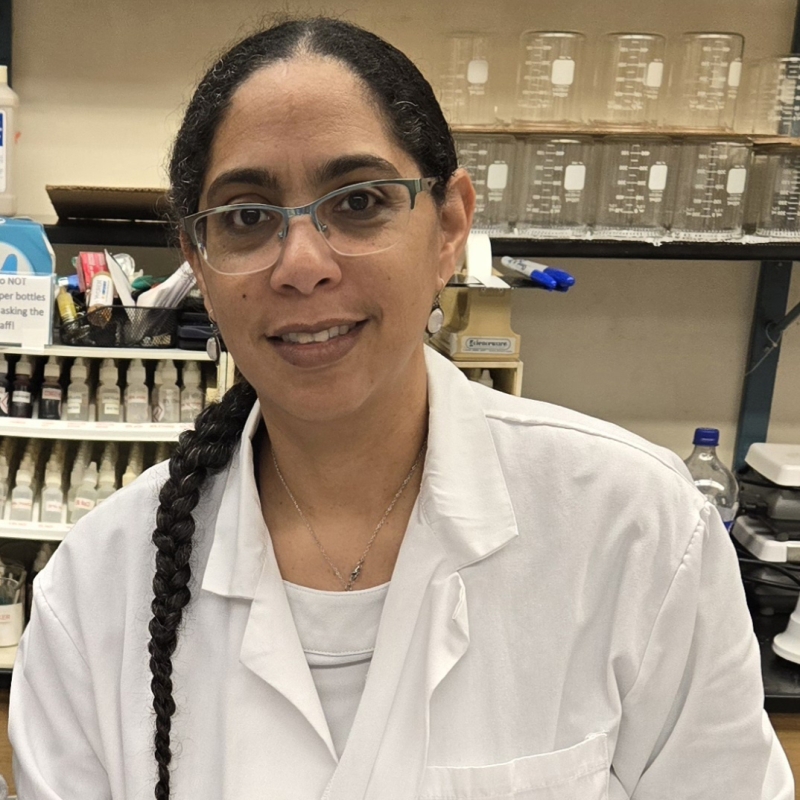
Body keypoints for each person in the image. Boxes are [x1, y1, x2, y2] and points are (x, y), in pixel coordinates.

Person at [8, 16, 795, 800]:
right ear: (199, 264)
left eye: (359, 203)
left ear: (449, 225)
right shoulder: (96, 589)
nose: (303, 265)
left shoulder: (637, 533)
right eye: (247, 217)